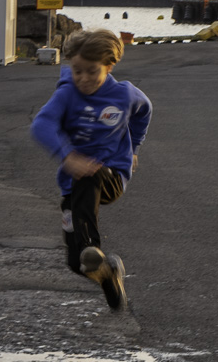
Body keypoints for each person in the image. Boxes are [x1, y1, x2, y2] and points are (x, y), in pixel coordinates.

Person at [29, 29, 152, 311]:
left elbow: (144, 111)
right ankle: (108, 274)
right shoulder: (67, 94)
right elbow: (41, 125)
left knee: (91, 172)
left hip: (111, 177)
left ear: (109, 66)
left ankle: (91, 245)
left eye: (91, 71)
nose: (83, 78)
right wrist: (67, 155)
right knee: (76, 264)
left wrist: (134, 148)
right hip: (74, 184)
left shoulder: (125, 94)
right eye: (77, 71)